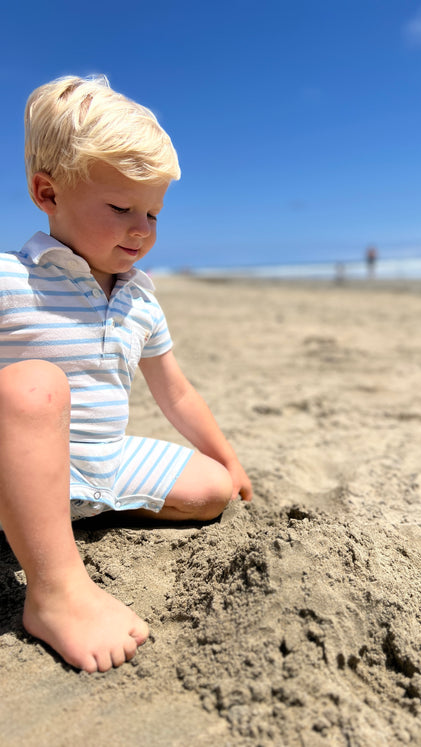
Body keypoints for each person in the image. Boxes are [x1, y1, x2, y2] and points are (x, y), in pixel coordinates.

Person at [0, 75, 252, 673]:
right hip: (16, 457)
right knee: (34, 387)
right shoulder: (11, 280)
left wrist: (230, 458)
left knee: (210, 489)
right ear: (48, 193)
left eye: (153, 213)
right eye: (120, 208)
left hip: (101, 460)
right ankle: (56, 591)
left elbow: (177, 392)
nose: (141, 229)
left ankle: (62, 514)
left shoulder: (141, 300)